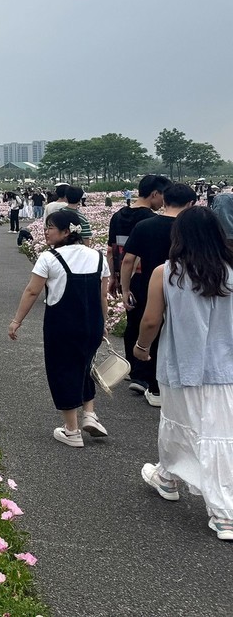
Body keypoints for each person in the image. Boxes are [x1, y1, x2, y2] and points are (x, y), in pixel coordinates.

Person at [131, 207, 233, 541]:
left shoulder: (168, 272)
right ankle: (168, 477)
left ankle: (224, 512)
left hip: (181, 364)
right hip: (226, 366)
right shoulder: (230, 271)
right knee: (215, 430)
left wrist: (142, 348)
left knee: (183, 424)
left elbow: (150, 320)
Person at [8, 209, 110, 447]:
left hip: (62, 325)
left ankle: (72, 430)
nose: (45, 232)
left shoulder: (49, 258)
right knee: (85, 366)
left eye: (50, 228)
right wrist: (103, 324)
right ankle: (90, 414)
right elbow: (102, 295)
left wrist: (17, 321)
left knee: (62, 370)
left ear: (66, 232)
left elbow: (32, 291)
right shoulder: (98, 257)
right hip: (92, 323)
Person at [121, 182, 198, 406]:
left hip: (147, 284)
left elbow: (128, 260)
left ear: (163, 201)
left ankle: (150, 383)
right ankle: (177, 385)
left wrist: (126, 290)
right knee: (178, 333)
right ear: (191, 204)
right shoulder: (191, 228)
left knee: (150, 328)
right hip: (183, 287)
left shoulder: (145, 226)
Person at [107, 174, 169, 299]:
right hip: (148, 278)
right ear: (155, 194)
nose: (164, 202)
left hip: (125, 279)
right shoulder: (152, 220)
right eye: (164, 196)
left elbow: (110, 251)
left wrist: (113, 277)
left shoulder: (117, 216)